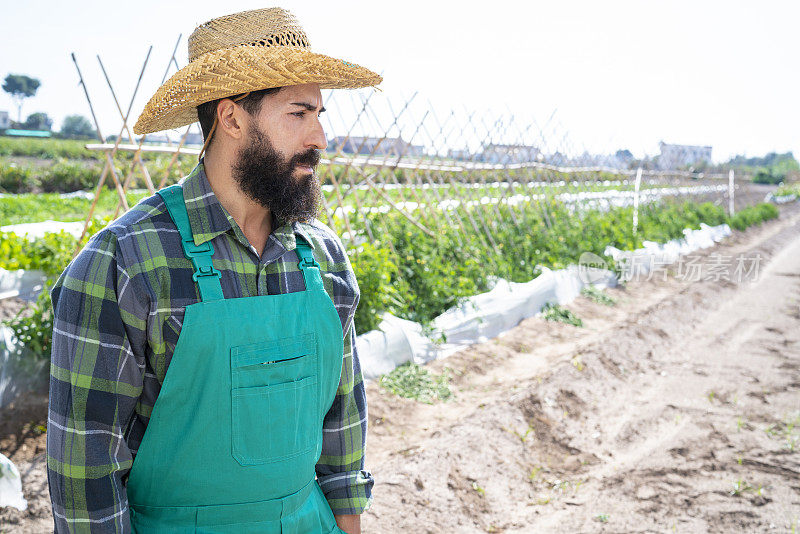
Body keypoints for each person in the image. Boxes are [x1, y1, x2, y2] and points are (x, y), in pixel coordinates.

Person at [46, 7, 382, 533]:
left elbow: (342, 421)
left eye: (320, 113)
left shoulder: (322, 259)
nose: (319, 137)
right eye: (299, 114)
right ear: (230, 118)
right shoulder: (126, 263)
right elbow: (84, 478)